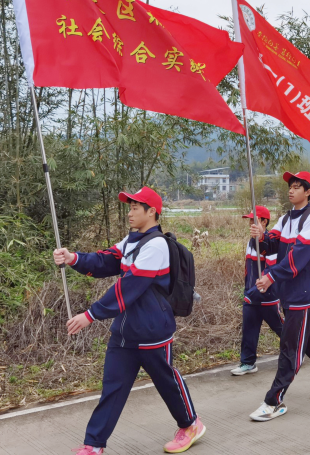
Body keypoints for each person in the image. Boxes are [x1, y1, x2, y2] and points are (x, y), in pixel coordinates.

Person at [53, 187, 205, 455]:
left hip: (152, 331)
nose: (130, 212)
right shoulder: (131, 240)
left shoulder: (157, 245)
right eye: (130, 206)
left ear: (152, 212)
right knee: (113, 388)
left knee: (166, 381)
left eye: (136, 207)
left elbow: (129, 286)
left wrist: (90, 315)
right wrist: (73, 258)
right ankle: (94, 444)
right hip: (124, 332)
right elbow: (106, 260)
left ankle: (191, 425)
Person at [249, 172, 310, 421]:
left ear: (308, 192)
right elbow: (274, 242)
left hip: (301, 290)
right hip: (287, 290)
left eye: (297, 186)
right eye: (291, 186)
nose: (292, 190)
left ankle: (274, 401)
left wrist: (270, 276)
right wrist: (262, 236)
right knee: (306, 335)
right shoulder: (286, 218)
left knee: (291, 346)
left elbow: (297, 257)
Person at [232, 206, 284, 376]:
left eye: (254, 221)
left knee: (281, 328)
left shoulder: (270, 243)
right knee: (249, 329)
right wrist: (248, 290)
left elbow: (270, 271)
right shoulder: (250, 242)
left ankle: (297, 349)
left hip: (267, 296)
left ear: (264, 222)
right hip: (251, 296)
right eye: (249, 221)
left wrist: (254, 292)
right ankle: (248, 362)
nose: (250, 224)